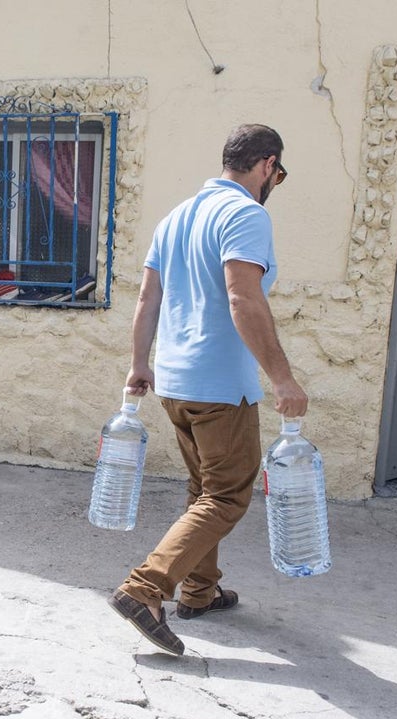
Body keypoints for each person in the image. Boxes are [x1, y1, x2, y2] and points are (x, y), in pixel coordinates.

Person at [107, 123, 309, 655]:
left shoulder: (175, 218)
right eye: (278, 174)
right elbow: (244, 299)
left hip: (174, 381)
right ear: (267, 165)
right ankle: (147, 587)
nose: (275, 184)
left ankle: (198, 591)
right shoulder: (246, 214)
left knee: (203, 490)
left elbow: (147, 299)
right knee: (226, 494)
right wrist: (282, 378)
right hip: (221, 385)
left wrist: (138, 364)